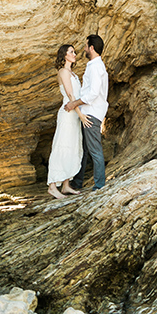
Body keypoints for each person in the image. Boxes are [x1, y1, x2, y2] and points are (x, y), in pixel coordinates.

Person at [66, 34, 109, 191]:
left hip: (91, 113)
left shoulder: (96, 67)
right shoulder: (94, 65)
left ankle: (99, 186)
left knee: (94, 151)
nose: (83, 49)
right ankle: (77, 183)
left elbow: (93, 93)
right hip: (89, 112)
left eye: (85, 46)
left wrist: (74, 103)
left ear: (91, 48)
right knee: (84, 150)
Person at [47, 44, 90, 199]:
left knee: (72, 148)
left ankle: (66, 185)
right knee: (61, 148)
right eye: (71, 52)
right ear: (64, 55)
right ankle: (52, 186)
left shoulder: (72, 73)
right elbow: (71, 96)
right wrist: (81, 114)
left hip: (75, 117)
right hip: (68, 115)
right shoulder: (63, 71)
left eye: (74, 52)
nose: (74, 54)